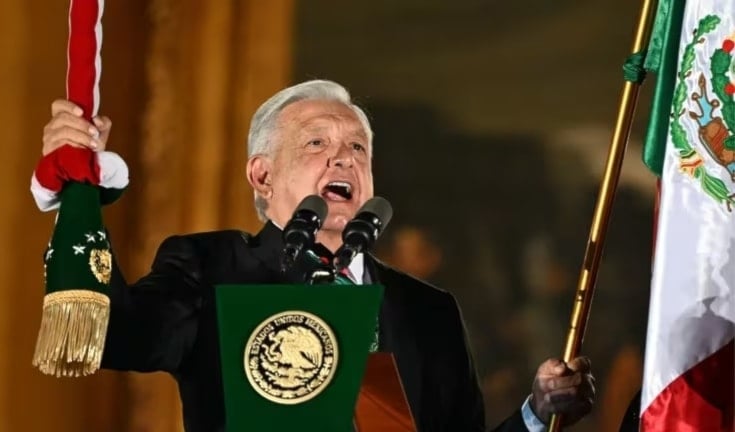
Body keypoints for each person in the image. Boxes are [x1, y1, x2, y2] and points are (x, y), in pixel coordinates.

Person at [34, 80, 595, 431]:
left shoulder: (426, 309)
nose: (343, 159)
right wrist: (77, 198)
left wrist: (535, 413)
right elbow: (113, 333)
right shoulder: (212, 268)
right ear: (262, 173)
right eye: (316, 143)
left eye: (357, 148)